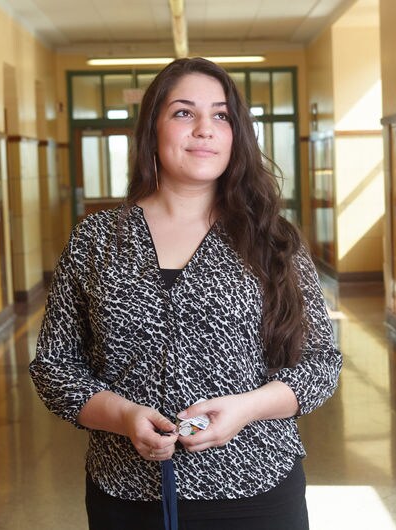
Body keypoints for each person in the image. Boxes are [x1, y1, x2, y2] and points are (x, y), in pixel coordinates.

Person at [29, 57, 342, 530]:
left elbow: (321, 363)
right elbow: (54, 368)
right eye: (183, 113)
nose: (205, 129)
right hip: (126, 494)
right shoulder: (96, 240)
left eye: (221, 115)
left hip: (256, 488)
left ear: (236, 134)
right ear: (151, 129)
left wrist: (246, 408)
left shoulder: (273, 240)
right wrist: (123, 416)